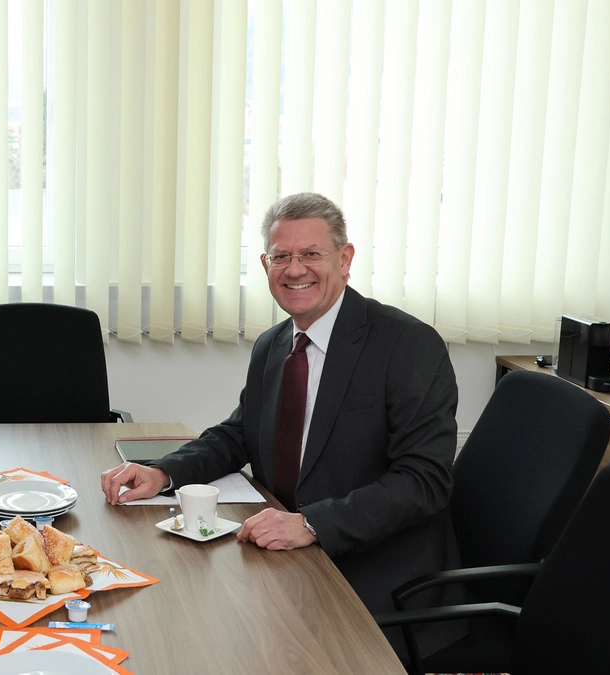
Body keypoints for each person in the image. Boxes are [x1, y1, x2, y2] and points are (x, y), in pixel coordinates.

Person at [100, 192, 459, 656]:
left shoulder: (408, 345)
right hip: (280, 552)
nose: (295, 269)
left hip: (375, 570)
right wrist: (164, 472)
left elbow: (424, 481)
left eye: (311, 254)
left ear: (345, 259)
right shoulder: (273, 344)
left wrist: (311, 524)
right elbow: (239, 434)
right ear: (265, 265)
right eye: (281, 257)